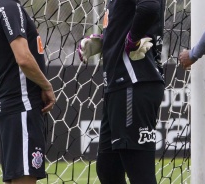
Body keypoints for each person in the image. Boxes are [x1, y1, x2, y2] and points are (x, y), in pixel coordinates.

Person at [78, 0, 165, 183]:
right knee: (108, 168)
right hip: (119, 86)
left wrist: (132, 39)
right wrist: (105, 41)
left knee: (139, 172)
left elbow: (149, 6)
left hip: (132, 84)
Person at [0, 0, 56, 183]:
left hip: (14, 109)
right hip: (21, 107)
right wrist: (46, 86)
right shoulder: (9, 6)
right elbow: (23, 58)